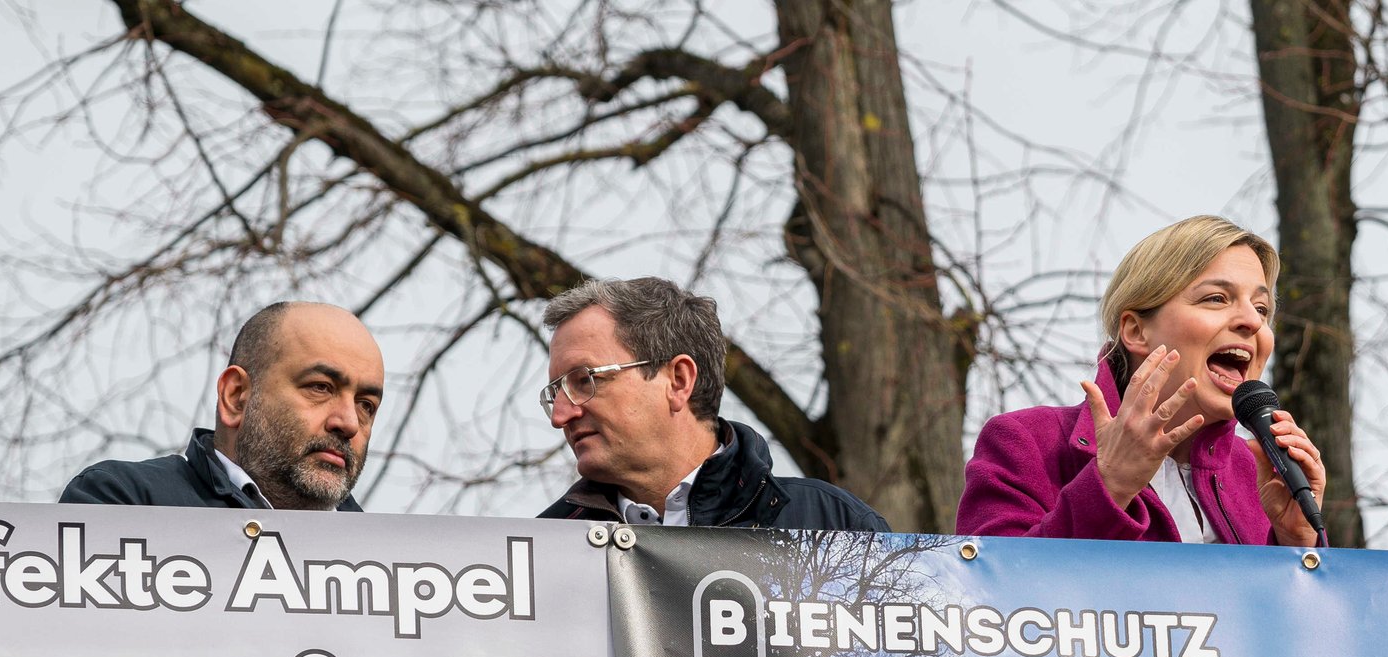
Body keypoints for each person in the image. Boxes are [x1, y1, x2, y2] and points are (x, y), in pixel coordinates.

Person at [956, 216, 1324, 545]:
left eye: (1261, 308)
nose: (1252, 321)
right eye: (1216, 298)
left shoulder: (1261, 476)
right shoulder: (1029, 442)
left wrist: (1296, 543)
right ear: (1135, 330)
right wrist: (1109, 486)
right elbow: (992, 602)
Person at [536, 276, 888, 531]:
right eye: (555, 393)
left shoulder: (836, 527)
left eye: (584, 380)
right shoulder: (534, 559)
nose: (560, 415)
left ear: (678, 381)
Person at [61, 302, 384, 510]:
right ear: (237, 395)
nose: (349, 422)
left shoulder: (391, 562)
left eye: (366, 405)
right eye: (320, 388)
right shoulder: (128, 501)